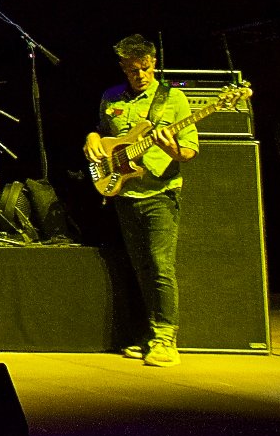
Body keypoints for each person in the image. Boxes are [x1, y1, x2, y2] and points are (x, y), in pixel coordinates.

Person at [84, 34, 197, 367]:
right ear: (123, 67)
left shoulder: (173, 99)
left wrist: (170, 148)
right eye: (133, 70)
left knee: (161, 266)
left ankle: (166, 339)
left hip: (160, 192)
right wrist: (92, 138)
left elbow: (189, 151)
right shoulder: (111, 97)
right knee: (141, 268)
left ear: (154, 63)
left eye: (146, 68)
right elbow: (103, 131)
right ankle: (149, 335)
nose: (141, 75)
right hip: (124, 192)